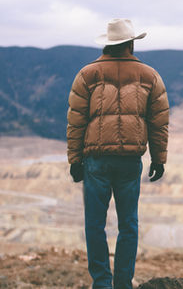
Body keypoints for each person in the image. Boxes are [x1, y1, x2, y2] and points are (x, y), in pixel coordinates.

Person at [66, 18, 169, 289]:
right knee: (129, 224)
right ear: (132, 43)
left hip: (96, 159)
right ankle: (123, 284)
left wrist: (74, 159)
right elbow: (159, 121)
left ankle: (102, 283)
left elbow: (76, 119)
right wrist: (159, 158)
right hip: (129, 161)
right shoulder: (149, 75)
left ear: (108, 44)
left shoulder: (87, 74)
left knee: (94, 225)